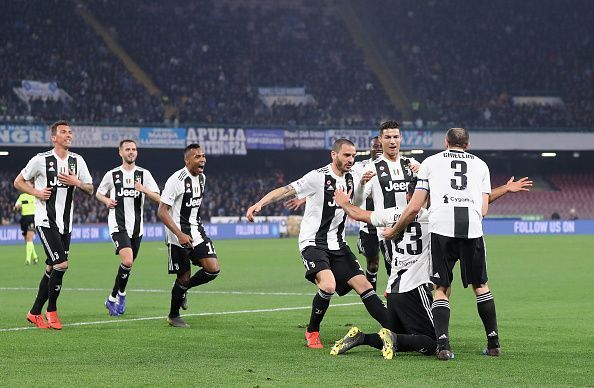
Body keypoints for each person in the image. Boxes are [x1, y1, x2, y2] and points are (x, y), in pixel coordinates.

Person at [331, 175, 532, 358]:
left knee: (395, 334)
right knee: (433, 342)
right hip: (416, 287)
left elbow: (358, 214)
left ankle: (361, 338)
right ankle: (393, 340)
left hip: (393, 289)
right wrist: (504, 189)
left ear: (408, 195)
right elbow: (476, 207)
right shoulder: (435, 216)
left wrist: (344, 202)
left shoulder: (390, 214)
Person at [246, 138, 388, 349]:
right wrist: (260, 203)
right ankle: (312, 330)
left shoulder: (353, 176)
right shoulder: (317, 177)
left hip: (338, 244)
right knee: (328, 285)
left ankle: (395, 328)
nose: (350, 160)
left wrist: (360, 185)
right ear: (334, 155)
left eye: (353, 156)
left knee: (365, 286)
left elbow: (355, 205)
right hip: (313, 242)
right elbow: (286, 190)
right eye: (346, 155)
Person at [384, 127, 497, 360]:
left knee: (441, 289)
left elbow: (415, 206)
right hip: (472, 228)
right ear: (467, 144)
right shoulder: (481, 165)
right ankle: (494, 343)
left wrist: (394, 230)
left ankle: (443, 345)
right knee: (481, 286)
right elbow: (484, 209)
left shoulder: (430, 162)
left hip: (441, 227)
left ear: (446, 142)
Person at [14, 120, 94, 329]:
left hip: (66, 224)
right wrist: (36, 193)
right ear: (54, 137)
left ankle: (33, 313)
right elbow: (18, 181)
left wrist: (76, 183)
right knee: (62, 264)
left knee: (51, 267)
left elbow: (90, 188)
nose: (69, 135)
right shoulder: (41, 160)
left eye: (70, 132)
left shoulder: (78, 161)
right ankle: (52, 310)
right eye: (64, 132)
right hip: (45, 221)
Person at [285, 136, 384, 290]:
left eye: (380, 146)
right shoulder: (359, 167)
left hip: (388, 219)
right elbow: (332, 186)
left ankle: (392, 298)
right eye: (375, 146)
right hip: (368, 221)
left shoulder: (394, 166)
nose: (378, 149)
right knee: (373, 263)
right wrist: (304, 198)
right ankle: (374, 293)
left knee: (394, 260)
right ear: (370, 149)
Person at [157, 144, 220, 328]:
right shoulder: (176, 180)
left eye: (203, 156)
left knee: (213, 269)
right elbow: (162, 211)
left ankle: (183, 290)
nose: (202, 159)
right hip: (177, 235)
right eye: (197, 156)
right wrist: (179, 234)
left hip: (196, 231)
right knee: (183, 277)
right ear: (187, 160)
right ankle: (173, 315)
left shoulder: (202, 178)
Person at [96, 139, 161, 316]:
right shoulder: (113, 174)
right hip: (118, 225)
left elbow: (158, 197)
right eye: (127, 149)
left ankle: (118, 295)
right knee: (127, 261)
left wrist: (143, 189)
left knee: (128, 265)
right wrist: (107, 200)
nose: (131, 152)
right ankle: (113, 298)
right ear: (121, 153)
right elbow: (99, 193)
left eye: (133, 149)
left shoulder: (144, 174)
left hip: (137, 228)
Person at [362, 121, 419, 278]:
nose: (392, 141)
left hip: (416, 232)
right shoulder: (371, 169)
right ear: (380, 139)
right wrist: (361, 185)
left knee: (422, 281)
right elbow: (356, 201)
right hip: (389, 235)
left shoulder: (412, 165)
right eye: (387, 137)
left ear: (401, 138)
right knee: (397, 279)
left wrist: (423, 175)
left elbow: (429, 193)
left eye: (395, 136)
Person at [14, 191, 39, 265]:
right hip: (24, 219)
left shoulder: (35, 195)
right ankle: (35, 257)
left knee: (29, 238)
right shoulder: (22, 196)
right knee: (27, 240)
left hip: (32, 218)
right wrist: (16, 208)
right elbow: (15, 209)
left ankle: (28, 260)